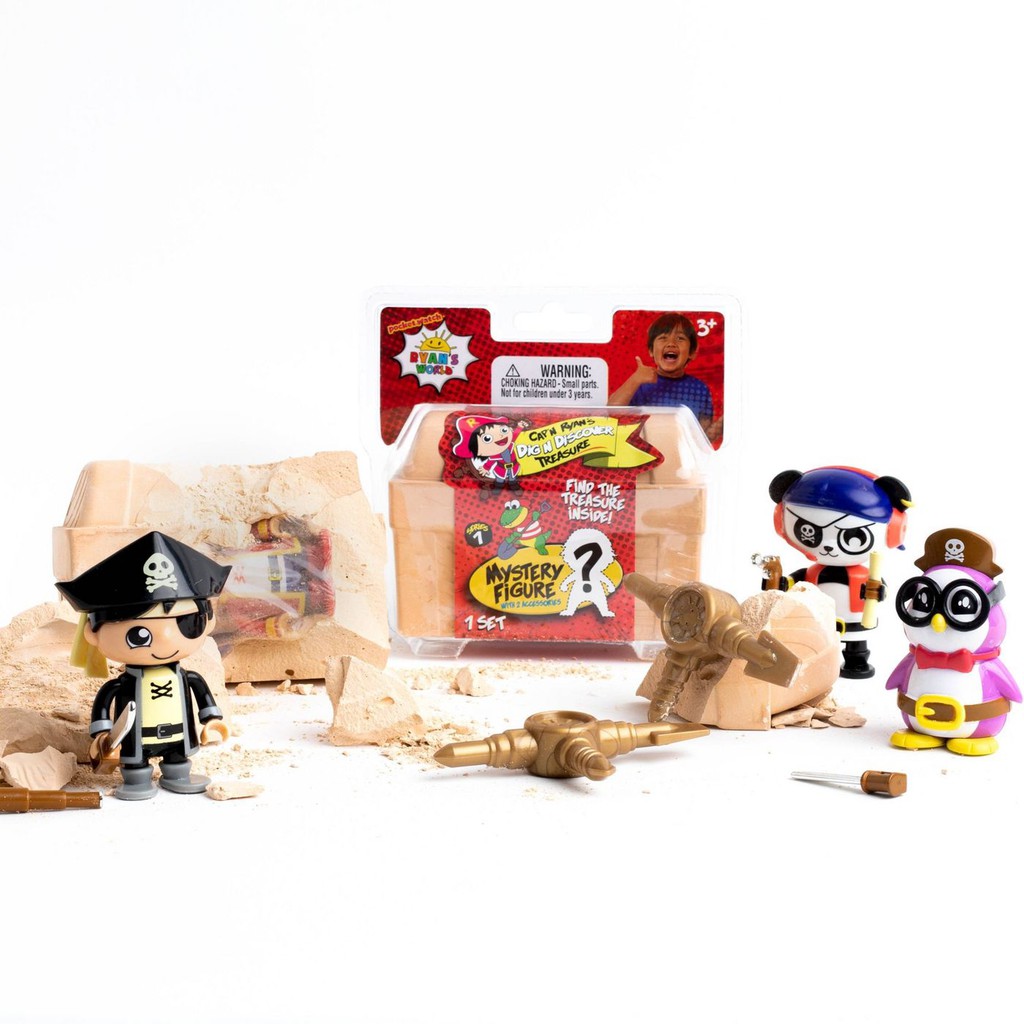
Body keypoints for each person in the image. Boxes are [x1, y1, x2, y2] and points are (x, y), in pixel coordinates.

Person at [56, 532, 231, 801]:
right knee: (135, 763)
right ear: (92, 633)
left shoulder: (188, 678)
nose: (166, 639)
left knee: (178, 758)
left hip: (179, 735)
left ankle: (177, 774)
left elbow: (202, 696)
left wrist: (211, 720)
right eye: (139, 635)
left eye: (187, 623)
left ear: (209, 622)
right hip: (135, 739)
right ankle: (137, 780)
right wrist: (102, 733)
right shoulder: (122, 684)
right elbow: (104, 703)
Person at [609, 313, 719, 440]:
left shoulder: (700, 389)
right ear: (651, 351)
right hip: (644, 449)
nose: (671, 343)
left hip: (681, 450)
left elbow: (703, 439)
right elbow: (610, 413)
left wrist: (722, 424)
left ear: (692, 352)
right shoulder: (640, 384)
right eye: (663, 338)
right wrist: (635, 379)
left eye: (680, 338)